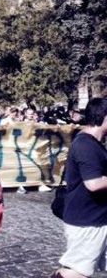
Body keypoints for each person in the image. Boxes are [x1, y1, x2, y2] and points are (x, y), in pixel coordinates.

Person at [52, 98, 107, 278]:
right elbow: (94, 183)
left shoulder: (93, 143)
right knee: (77, 272)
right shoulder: (86, 145)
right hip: (87, 221)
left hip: (98, 217)